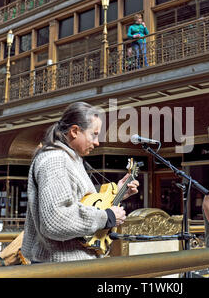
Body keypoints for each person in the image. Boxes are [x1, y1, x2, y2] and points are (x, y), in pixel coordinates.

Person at [21, 101, 139, 263]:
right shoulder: (56, 159)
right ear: (75, 131)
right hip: (60, 267)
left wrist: (118, 193)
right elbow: (56, 220)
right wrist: (107, 216)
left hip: (69, 264)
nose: (97, 142)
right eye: (94, 134)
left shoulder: (68, 157)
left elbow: (81, 202)